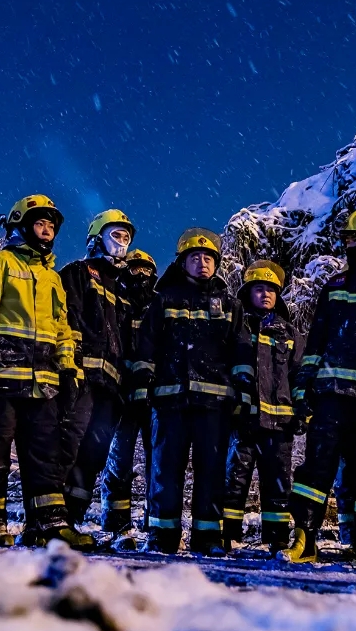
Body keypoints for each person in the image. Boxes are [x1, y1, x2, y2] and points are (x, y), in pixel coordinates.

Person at [0, 195, 91, 549]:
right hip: (2, 379)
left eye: (51, 225)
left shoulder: (52, 277)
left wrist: (69, 370)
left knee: (45, 455)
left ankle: (46, 525)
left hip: (43, 385)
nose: (47, 231)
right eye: (40, 223)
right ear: (21, 225)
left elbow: (62, 327)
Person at [279, 209, 356, 565]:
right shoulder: (334, 286)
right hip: (330, 396)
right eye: (346, 239)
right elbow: (315, 342)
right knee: (316, 468)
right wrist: (303, 389)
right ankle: (304, 538)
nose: (349, 245)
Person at [131, 228, 252, 556]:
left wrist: (242, 389)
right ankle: (162, 535)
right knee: (165, 469)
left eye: (209, 258)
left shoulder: (229, 303)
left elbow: (241, 348)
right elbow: (147, 344)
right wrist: (142, 385)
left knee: (211, 471)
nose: (203, 263)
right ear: (182, 262)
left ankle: (207, 537)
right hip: (170, 401)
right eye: (195, 257)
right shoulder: (164, 299)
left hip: (214, 404)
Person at [58, 210, 135, 530]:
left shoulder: (122, 290)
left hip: (109, 388)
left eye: (126, 238)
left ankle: (72, 518)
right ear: (97, 237)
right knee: (67, 446)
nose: (122, 243)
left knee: (93, 454)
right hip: (80, 379)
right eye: (116, 235)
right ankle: (49, 518)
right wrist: (69, 368)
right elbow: (68, 319)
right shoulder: (76, 273)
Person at [222, 260, 305, 556]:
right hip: (243, 420)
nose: (266, 294)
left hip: (279, 426)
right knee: (234, 479)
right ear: (248, 293)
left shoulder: (289, 333)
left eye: (271, 290)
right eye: (260, 289)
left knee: (278, 484)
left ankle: (278, 539)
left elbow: (298, 374)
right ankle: (228, 536)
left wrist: (301, 411)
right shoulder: (236, 326)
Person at [101, 248, 158, 549]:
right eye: (135, 268)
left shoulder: (159, 305)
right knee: (119, 460)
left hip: (153, 396)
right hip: (122, 395)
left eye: (146, 269)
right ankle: (117, 526)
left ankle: (156, 524)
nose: (141, 274)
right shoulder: (117, 304)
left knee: (158, 462)